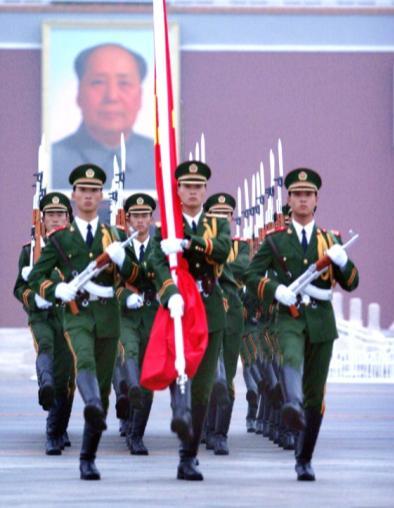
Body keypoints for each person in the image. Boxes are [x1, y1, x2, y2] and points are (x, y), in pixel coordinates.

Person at [244, 167, 359, 481]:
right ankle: (290, 405)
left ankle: (304, 457)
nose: (303, 200)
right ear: (290, 200)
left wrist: (343, 262)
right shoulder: (276, 241)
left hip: (321, 320)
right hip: (289, 316)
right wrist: (273, 289)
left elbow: (351, 282)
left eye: (308, 195)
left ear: (316, 200)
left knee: (316, 395)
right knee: (290, 357)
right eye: (297, 194)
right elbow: (251, 275)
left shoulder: (330, 240)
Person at [28, 164, 140, 481]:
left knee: (104, 391)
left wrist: (123, 260)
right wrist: (55, 289)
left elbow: (137, 277)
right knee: (84, 361)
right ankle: (89, 402)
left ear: (101, 197)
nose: (89, 196)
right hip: (77, 315)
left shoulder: (114, 236)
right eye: (83, 191)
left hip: (108, 315)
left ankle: (87, 458)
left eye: (94, 191)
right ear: (74, 195)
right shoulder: (62, 239)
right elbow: (36, 278)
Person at [150, 160, 231, 481]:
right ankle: (179, 416)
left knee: (203, 388)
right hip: (179, 307)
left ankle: (189, 455)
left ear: (205, 190)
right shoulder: (165, 227)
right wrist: (169, 292)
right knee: (178, 369)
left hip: (208, 310)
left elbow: (222, 250)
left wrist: (187, 244)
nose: (193, 191)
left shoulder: (216, 224)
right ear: (178, 190)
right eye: (187, 186)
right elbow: (156, 263)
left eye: (198, 186)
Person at [14, 192, 75, 456]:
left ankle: (60, 427)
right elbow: (19, 289)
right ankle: (51, 426)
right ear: (42, 219)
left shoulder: (76, 250)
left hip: (68, 316)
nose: (55, 219)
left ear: (68, 218)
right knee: (45, 346)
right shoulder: (30, 252)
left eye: (60, 214)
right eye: (50, 215)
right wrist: (34, 298)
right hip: (41, 316)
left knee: (69, 375)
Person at [51, 43, 154, 190]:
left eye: (124, 83)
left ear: (140, 97)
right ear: (79, 94)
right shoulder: (51, 163)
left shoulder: (163, 161)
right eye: (98, 82)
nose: (112, 96)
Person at [202, 193, 249, 455]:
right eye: (216, 214)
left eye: (226, 214)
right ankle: (207, 428)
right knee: (209, 372)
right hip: (207, 311)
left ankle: (220, 432)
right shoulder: (202, 245)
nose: (222, 218)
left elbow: (244, 266)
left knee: (227, 374)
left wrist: (217, 265)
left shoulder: (239, 246)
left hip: (232, 315)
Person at [115, 192, 159, 455]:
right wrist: (125, 297)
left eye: (145, 216)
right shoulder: (121, 248)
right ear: (128, 219)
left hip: (153, 316)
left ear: (151, 219)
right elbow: (112, 284)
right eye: (136, 216)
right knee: (129, 356)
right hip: (127, 317)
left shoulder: (159, 248)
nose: (141, 221)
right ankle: (129, 392)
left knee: (149, 375)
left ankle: (136, 433)